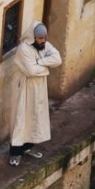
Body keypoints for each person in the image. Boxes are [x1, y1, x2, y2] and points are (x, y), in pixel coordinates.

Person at [9, 21, 61, 166]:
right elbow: (31, 71)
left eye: (44, 38)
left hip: (38, 88)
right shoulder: (23, 49)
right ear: (33, 38)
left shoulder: (45, 45)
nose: (43, 41)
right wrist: (46, 68)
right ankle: (15, 153)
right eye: (40, 38)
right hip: (24, 88)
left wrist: (40, 61)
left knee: (34, 116)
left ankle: (27, 148)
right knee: (21, 118)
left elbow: (57, 59)